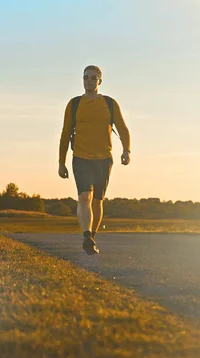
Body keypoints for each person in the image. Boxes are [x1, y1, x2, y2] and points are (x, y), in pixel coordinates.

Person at [58, 65, 131, 255]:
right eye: (85, 77)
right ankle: (86, 235)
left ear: (100, 81)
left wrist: (126, 150)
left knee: (98, 201)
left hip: (104, 159)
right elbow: (65, 134)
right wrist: (61, 162)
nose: (88, 80)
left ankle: (92, 237)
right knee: (84, 197)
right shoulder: (74, 104)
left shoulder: (109, 103)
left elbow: (122, 129)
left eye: (92, 77)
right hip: (81, 157)